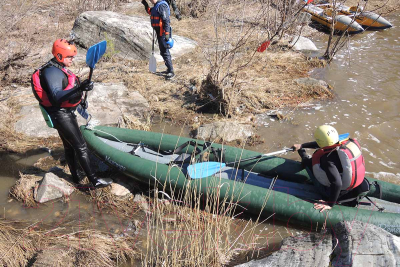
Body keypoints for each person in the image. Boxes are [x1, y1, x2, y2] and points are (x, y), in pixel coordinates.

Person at [31, 39, 113, 188]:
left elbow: (67, 90)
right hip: (60, 115)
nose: (72, 59)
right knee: (81, 146)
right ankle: (94, 180)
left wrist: (79, 100)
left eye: (73, 56)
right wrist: (79, 88)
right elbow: (56, 96)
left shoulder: (59, 67)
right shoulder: (51, 72)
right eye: (69, 57)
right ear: (59, 56)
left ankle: (75, 177)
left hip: (64, 112)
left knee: (69, 146)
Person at [291, 125, 367, 212]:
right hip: (354, 184)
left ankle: (303, 155)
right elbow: (324, 145)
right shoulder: (346, 143)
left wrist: (330, 204)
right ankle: (302, 150)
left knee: (308, 163)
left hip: (336, 191)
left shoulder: (328, 160)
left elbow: (337, 183)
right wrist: (302, 145)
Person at [142, 0, 175, 79]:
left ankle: (171, 71)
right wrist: (146, 5)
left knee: (165, 51)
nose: (150, 0)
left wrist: (167, 34)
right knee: (162, 51)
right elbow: (151, 12)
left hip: (163, 32)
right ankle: (168, 69)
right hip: (159, 32)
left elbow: (166, 20)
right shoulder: (156, 5)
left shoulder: (161, 6)